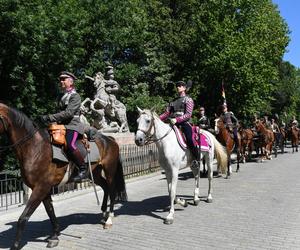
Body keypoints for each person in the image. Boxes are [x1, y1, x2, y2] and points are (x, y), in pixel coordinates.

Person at [41, 71, 87, 182]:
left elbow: (69, 113)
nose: (61, 81)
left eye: (63, 79)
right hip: (61, 126)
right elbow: (59, 112)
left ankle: (82, 168)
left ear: (70, 82)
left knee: (69, 144)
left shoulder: (75, 96)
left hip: (73, 126)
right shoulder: (61, 96)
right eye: (60, 79)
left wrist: (50, 117)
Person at [159, 80, 199, 165]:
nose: (178, 87)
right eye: (177, 86)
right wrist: (157, 118)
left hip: (185, 123)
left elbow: (188, 114)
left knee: (190, 139)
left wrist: (177, 119)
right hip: (173, 123)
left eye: (180, 85)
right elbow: (166, 113)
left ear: (184, 88)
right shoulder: (173, 101)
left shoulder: (188, 99)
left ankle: (196, 159)